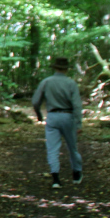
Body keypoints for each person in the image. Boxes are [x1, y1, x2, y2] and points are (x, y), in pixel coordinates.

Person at [32, 56, 83, 189]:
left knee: (52, 148)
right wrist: (78, 123)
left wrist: (39, 116)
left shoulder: (46, 82)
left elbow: (35, 102)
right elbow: (77, 105)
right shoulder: (71, 83)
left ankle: (56, 179)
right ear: (66, 69)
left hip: (53, 116)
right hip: (68, 116)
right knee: (72, 147)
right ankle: (76, 174)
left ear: (54, 68)